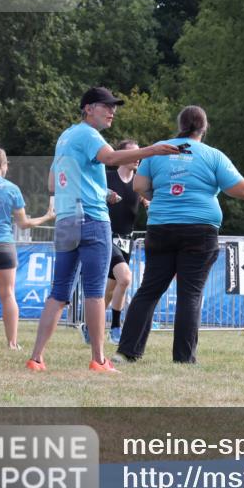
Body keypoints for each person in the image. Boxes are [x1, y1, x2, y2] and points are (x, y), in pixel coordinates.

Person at [114, 105, 244, 364]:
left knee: (149, 290)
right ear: (204, 128)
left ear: (179, 125)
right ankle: (183, 359)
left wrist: (164, 199)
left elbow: (140, 186)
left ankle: (127, 351)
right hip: (200, 230)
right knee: (190, 294)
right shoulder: (212, 156)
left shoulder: (157, 150)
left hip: (161, 227)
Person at [27, 87, 181, 373]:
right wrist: (154, 150)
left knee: (59, 292)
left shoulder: (66, 136)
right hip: (92, 221)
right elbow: (111, 159)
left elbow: (54, 181)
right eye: (105, 106)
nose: (112, 111)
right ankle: (99, 360)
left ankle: (36, 358)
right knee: (95, 292)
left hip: (67, 219)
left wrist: (100, 191)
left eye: (114, 107)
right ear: (88, 108)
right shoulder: (89, 135)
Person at [0, 147, 56, 351]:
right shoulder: (11, 189)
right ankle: (12, 343)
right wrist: (47, 216)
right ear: (4, 165)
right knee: (7, 294)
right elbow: (23, 224)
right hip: (3, 246)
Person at [95, 139, 148, 346]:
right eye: (133, 154)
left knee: (111, 289)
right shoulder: (106, 178)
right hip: (105, 235)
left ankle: (90, 327)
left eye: (140, 155)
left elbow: (145, 197)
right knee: (125, 278)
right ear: (121, 156)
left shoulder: (140, 181)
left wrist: (147, 202)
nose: (138, 159)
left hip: (127, 240)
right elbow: (89, 193)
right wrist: (105, 194)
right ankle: (116, 328)